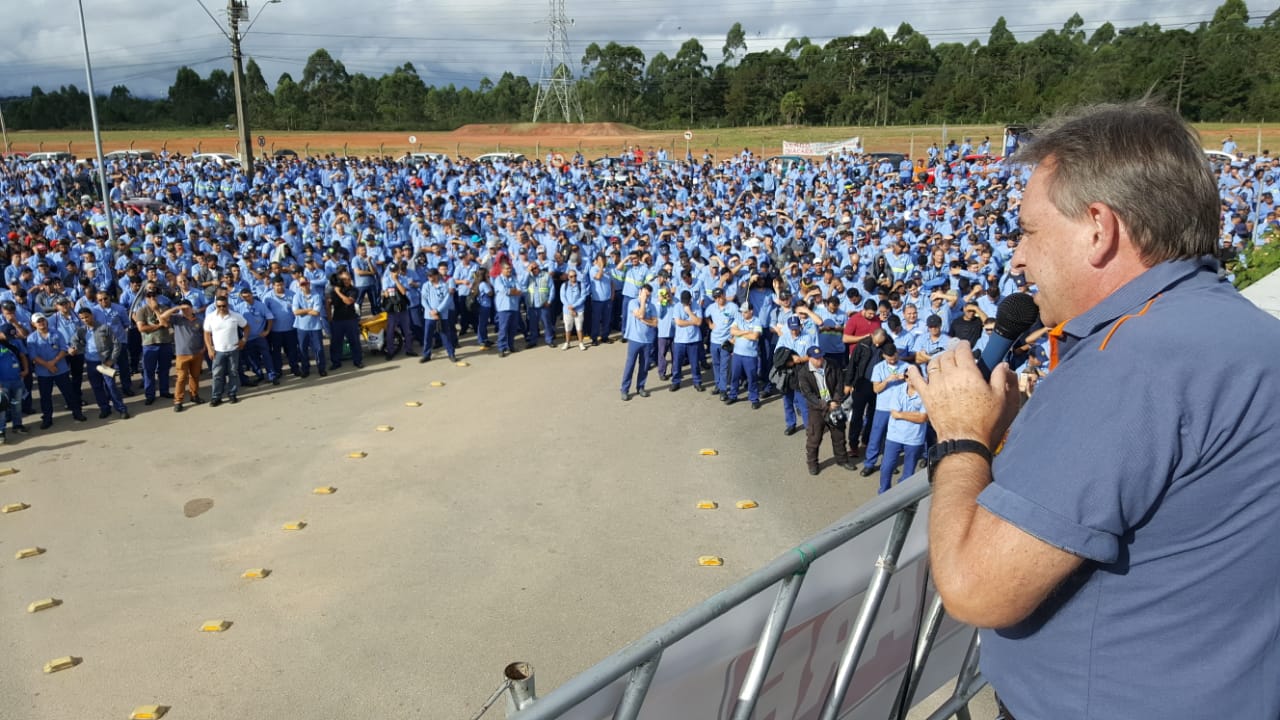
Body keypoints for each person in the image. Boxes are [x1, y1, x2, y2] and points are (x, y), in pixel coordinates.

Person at [912, 102, 1280, 720]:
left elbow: (976, 588)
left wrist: (961, 439)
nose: (1017, 259)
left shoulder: (1134, 362)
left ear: (1098, 229)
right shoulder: (1245, 330)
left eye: (1028, 230)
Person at [795, 346, 854, 475]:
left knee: (839, 435)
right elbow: (808, 395)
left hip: (835, 405)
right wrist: (826, 405)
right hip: (817, 409)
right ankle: (812, 463)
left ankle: (842, 459)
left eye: (821, 356)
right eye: (816, 358)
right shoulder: (803, 373)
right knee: (814, 438)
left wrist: (836, 400)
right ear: (809, 358)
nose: (820, 360)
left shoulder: (832, 365)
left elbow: (839, 383)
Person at [26, 312, 87, 428]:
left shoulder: (56, 333)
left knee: (69, 393)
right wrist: (48, 365)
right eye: (38, 321)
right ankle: (47, 418)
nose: (41, 323)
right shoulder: (31, 338)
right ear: (33, 324)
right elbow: (33, 356)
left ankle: (77, 413)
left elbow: (63, 349)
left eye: (43, 320)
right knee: (45, 396)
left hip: (60, 369)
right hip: (43, 372)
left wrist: (53, 363)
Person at [876, 379, 927, 493]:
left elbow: (923, 418)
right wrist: (915, 414)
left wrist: (901, 414)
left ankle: (901, 495)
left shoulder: (925, 392)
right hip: (894, 436)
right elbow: (894, 414)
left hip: (914, 439)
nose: (910, 379)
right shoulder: (897, 390)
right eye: (907, 376)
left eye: (912, 376)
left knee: (908, 473)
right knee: (886, 467)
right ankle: (884, 493)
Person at [202, 294, 247, 406]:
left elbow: (246, 327)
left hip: (233, 349)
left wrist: (244, 339)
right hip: (218, 351)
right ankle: (216, 397)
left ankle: (232, 394)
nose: (222, 308)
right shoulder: (210, 317)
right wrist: (209, 348)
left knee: (233, 372)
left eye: (224, 306)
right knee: (217, 374)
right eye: (219, 306)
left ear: (228, 305)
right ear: (216, 306)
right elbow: (207, 334)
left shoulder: (235, 316)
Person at [161, 299, 205, 412]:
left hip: (197, 353)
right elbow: (162, 317)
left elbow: (204, 334)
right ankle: (178, 401)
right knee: (181, 378)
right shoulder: (177, 319)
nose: (185, 311)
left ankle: (194, 395)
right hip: (182, 354)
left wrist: (204, 347)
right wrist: (176, 309)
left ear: (191, 308)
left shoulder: (199, 320)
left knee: (195, 376)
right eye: (183, 309)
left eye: (187, 308)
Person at [133, 289, 174, 406]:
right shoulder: (141, 311)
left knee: (164, 370)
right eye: (149, 296)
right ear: (145, 298)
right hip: (149, 345)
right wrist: (158, 325)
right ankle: (150, 395)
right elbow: (142, 328)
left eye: (154, 296)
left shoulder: (164, 309)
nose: (152, 298)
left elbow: (166, 324)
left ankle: (164, 391)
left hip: (165, 342)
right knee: (149, 371)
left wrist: (156, 310)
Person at [618, 283, 657, 401]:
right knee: (630, 365)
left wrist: (644, 320)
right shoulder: (633, 303)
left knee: (644, 366)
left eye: (648, 295)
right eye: (645, 293)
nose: (647, 296)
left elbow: (655, 323)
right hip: (635, 339)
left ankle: (640, 386)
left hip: (648, 340)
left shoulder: (653, 306)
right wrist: (643, 302)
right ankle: (625, 389)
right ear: (640, 292)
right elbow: (640, 313)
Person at [725, 302, 762, 409]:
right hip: (737, 354)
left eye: (745, 312)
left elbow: (755, 336)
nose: (743, 314)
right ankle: (733, 395)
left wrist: (739, 333)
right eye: (742, 312)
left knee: (752, 378)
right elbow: (732, 331)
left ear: (751, 311)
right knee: (734, 376)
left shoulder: (757, 321)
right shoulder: (739, 319)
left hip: (750, 356)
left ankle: (754, 398)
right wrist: (746, 332)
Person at [329, 271, 364, 370]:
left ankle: (358, 361)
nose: (347, 281)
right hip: (337, 320)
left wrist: (338, 292)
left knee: (354, 341)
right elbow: (328, 303)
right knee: (336, 342)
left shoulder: (354, 290)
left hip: (350, 319)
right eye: (344, 279)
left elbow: (348, 301)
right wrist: (329, 318)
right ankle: (336, 362)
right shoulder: (334, 289)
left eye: (349, 279)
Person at [669, 290, 703, 392]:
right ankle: (676, 382)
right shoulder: (677, 307)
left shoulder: (696, 306)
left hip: (694, 339)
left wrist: (689, 312)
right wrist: (692, 321)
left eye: (687, 301)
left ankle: (697, 382)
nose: (685, 303)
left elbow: (699, 322)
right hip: (680, 340)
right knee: (677, 363)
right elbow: (678, 322)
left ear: (690, 299)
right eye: (683, 301)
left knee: (695, 363)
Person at [292, 277, 326, 375]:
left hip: (315, 327)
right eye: (302, 284)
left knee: (318, 349)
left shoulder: (316, 295)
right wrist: (308, 310)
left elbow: (316, 312)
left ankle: (321, 368)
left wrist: (303, 310)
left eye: (306, 283)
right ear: (299, 285)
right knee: (303, 349)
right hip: (301, 328)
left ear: (309, 283)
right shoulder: (297, 296)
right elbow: (295, 312)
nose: (305, 286)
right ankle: (305, 369)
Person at [0, 331, 30, 440]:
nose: (8, 338)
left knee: (17, 405)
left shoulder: (15, 343)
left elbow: (23, 356)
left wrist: (26, 370)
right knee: (1, 408)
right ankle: (1, 431)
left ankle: (17, 425)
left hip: (17, 380)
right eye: (6, 335)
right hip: (2, 383)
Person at [560, 268, 588, 351]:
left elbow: (583, 297)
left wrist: (574, 306)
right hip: (567, 310)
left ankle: (581, 343)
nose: (574, 278)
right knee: (568, 327)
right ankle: (567, 343)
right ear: (568, 277)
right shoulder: (564, 285)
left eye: (575, 276)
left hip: (579, 310)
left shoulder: (581, 285)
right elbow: (562, 298)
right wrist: (570, 307)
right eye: (571, 276)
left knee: (579, 327)